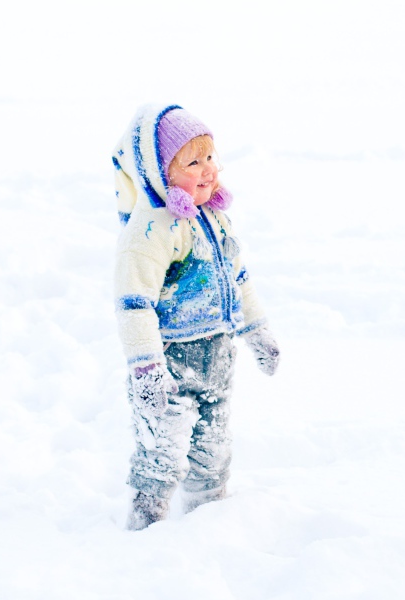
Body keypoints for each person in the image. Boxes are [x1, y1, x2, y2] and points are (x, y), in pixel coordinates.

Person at [111, 104, 280, 530]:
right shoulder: (150, 230)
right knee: (162, 453)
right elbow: (134, 303)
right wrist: (146, 366)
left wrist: (257, 330)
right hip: (169, 363)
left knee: (214, 451)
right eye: (192, 162)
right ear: (160, 174)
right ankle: (144, 525)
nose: (207, 169)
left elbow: (238, 278)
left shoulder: (215, 218)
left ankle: (207, 523)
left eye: (210, 157)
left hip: (217, 357)